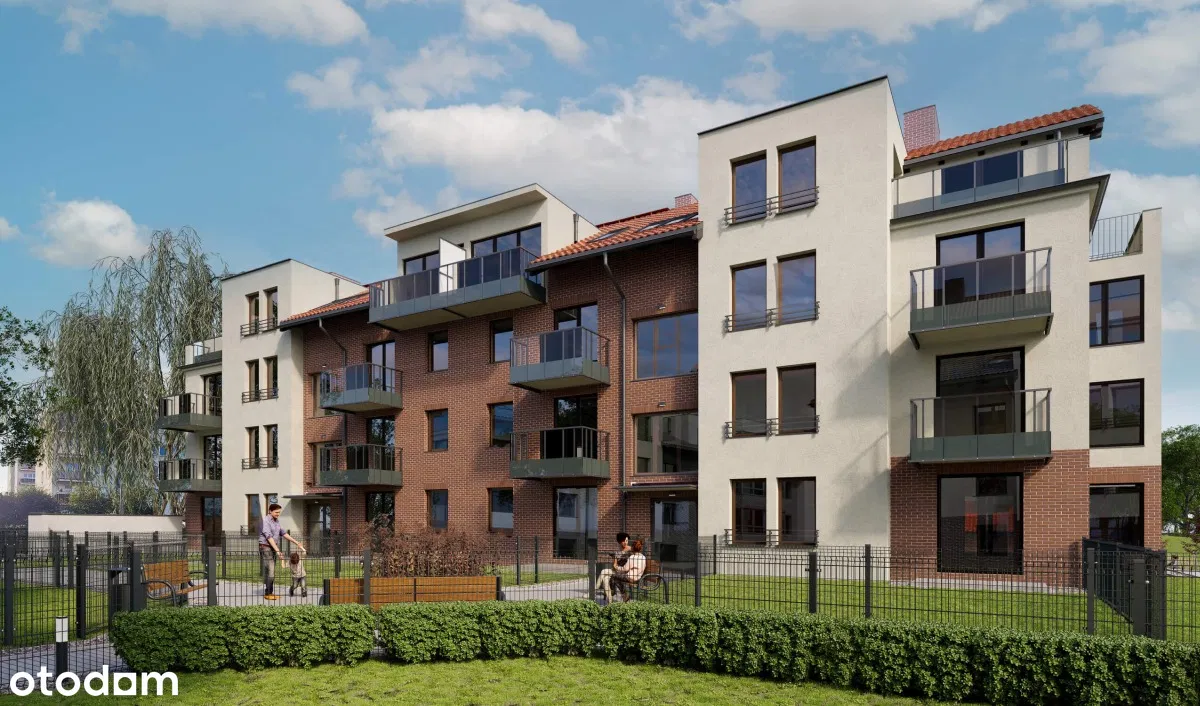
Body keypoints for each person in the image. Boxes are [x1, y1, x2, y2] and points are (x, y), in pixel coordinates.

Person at [259, 503, 304, 600]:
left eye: (279, 512)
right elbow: (269, 537)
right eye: (276, 512)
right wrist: (278, 551)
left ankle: (269, 592)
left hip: (273, 547)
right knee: (271, 570)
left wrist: (296, 542)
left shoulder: (276, 521)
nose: (278, 514)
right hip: (265, 547)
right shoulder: (265, 521)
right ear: (270, 511)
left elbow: (283, 533)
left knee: (271, 571)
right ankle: (268, 593)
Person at [594, 533, 630, 603]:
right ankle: (610, 601)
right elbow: (615, 564)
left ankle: (594, 592)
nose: (625, 542)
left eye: (627, 541)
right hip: (616, 571)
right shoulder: (618, 551)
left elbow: (631, 563)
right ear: (620, 541)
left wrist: (618, 568)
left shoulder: (630, 550)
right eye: (624, 541)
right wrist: (615, 563)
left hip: (625, 572)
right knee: (605, 579)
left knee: (604, 572)